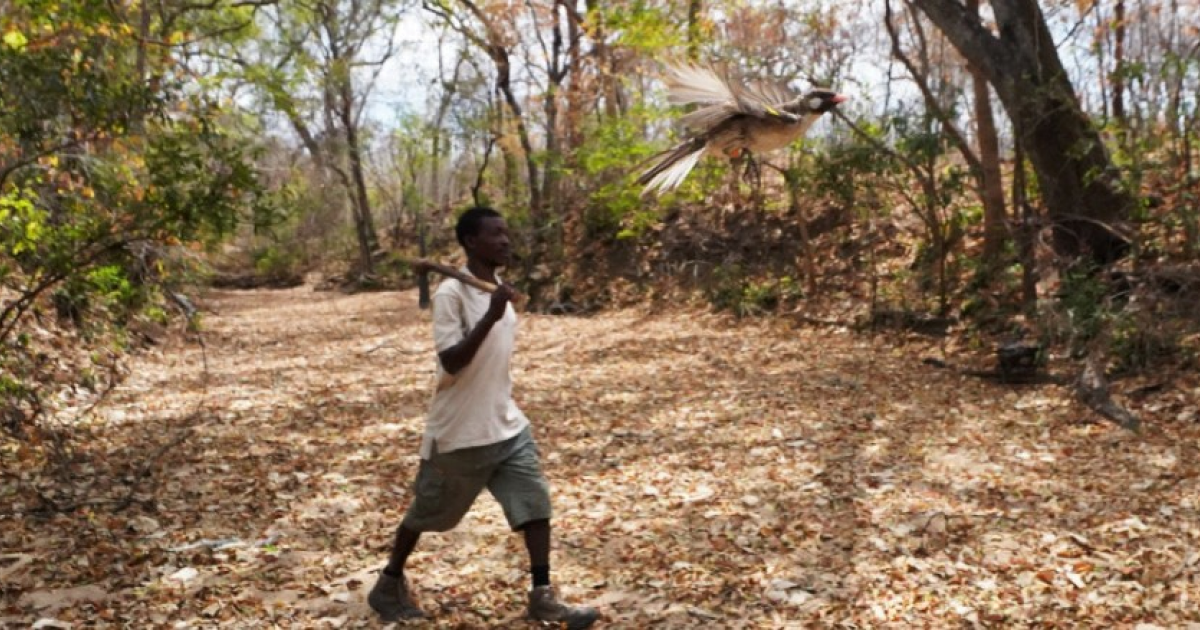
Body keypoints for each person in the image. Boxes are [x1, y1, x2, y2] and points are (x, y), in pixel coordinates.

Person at [368, 206, 599, 629]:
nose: (506, 240)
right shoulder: (451, 295)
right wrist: (491, 315)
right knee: (426, 512)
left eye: (507, 232)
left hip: (506, 424)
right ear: (472, 242)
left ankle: (542, 595)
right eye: (496, 234)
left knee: (535, 503)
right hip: (459, 432)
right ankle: (389, 582)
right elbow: (452, 362)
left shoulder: (498, 289)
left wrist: (497, 307)